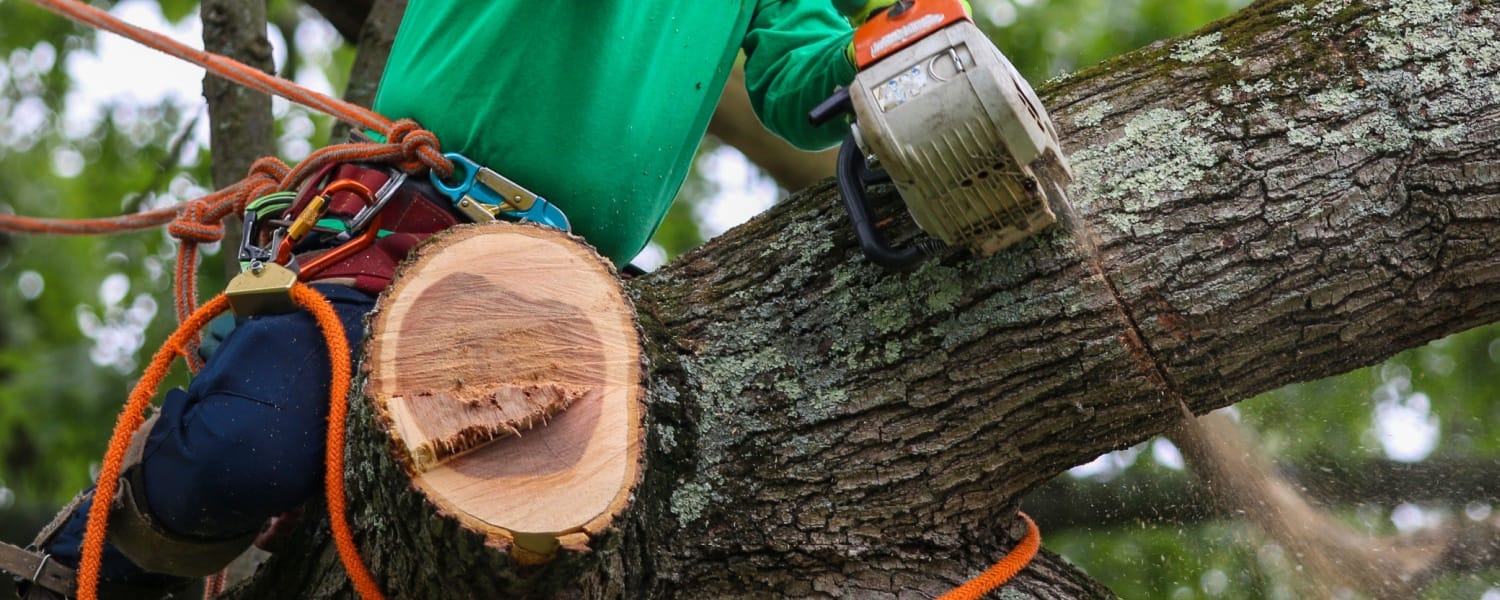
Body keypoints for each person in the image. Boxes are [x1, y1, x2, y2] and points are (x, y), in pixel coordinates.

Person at [14, 1, 907, 598]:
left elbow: (800, 77)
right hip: (407, 219)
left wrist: (885, 45)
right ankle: (69, 577)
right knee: (241, 451)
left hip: (565, 284)